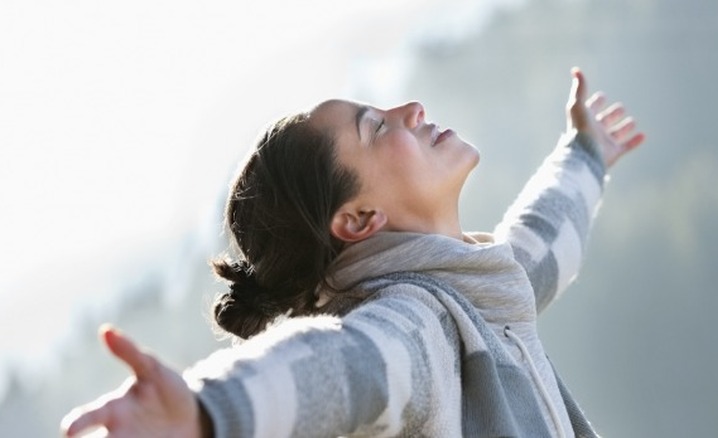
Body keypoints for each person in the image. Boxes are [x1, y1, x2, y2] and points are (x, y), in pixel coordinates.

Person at [61, 68, 644, 437]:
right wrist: (207, 411)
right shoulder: (414, 325)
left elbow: (538, 249)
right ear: (359, 219)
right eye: (375, 128)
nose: (410, 110)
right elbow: (341, 366)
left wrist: (585, 156)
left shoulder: (476, 294)